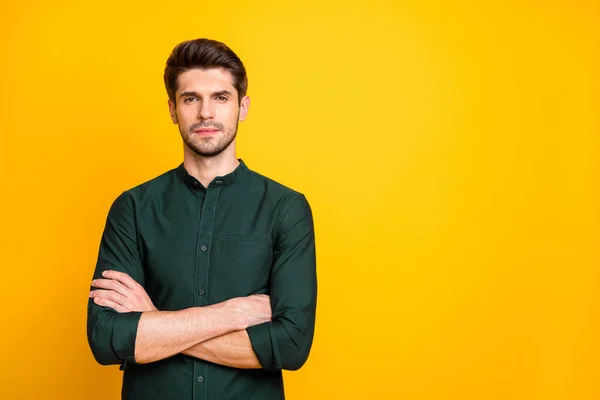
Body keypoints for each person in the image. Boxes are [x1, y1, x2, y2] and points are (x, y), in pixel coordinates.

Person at [86, 38, 317, 400]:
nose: (206, 113)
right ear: (172, 109)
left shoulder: (286, 209)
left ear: (243, 107)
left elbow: (290, 346)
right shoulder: (132, 207)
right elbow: (105, 339)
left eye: (221, 98)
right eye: (191, 98)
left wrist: (156, 321)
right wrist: (232, 314)